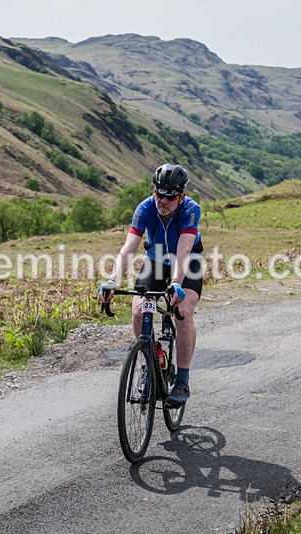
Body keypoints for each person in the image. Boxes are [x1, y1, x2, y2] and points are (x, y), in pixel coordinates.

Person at [98, 163, 203, 407]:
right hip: (155, 262)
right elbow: (129, 248)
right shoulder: (145, 208)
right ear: (153, 191)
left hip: (187, 262)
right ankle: (151, 359)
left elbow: (184, 249)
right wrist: (113, 279)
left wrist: (176, 282)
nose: (163, 201)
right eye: (158, 194)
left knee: (183, 313)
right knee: (138, 312)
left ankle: (182, 381)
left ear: (181, 196)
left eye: (170, 197)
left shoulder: (190, 209)